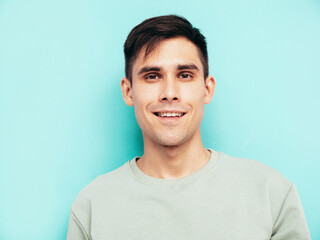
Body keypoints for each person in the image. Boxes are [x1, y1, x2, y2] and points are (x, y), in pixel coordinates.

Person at [66, 15, 310, 239]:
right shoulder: (92, 206)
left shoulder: (271, 194)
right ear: (128, 91)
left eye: (184, 75)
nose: (169, 93)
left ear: (207, 88)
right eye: (152, 76)